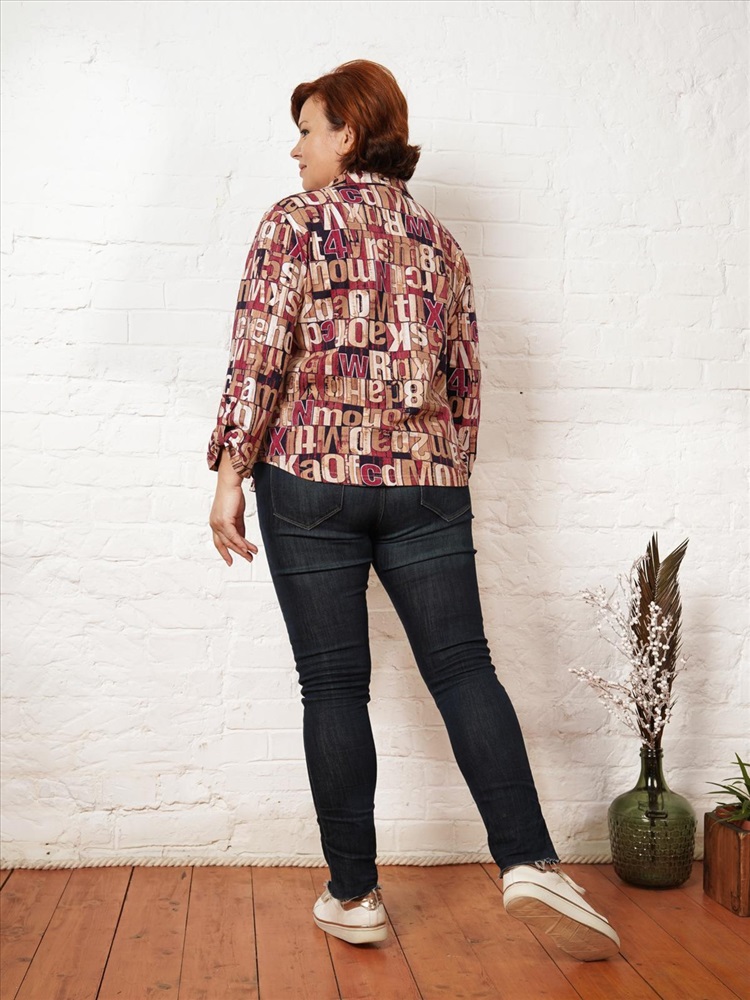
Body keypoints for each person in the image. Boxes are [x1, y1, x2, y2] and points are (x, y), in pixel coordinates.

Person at [207, 59, 620, 962]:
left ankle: (355, 895)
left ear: (348, 133)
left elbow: (260, 352)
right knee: (465, 669)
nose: (296, 149)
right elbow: (466, 380)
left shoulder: (294, 223)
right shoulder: (441, 242)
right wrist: (441, 472)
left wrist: (230, 471)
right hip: (427, 481)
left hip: (311, 477)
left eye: (307, 130)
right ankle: (532, 861)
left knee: (332, 686)